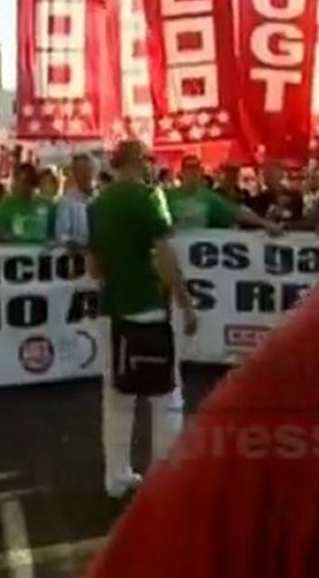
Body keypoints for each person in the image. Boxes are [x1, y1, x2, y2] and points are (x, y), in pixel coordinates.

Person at [88, 229, 319, 578]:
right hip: (144, 321)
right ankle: (125, 473)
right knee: (154, 398)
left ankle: (121, 474)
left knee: (133, 399)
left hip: (133, 319)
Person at [88, 140, 198, 500]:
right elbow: (164, 258)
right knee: (165, 396)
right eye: (149, 159)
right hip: (148, 307)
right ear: (138, 161)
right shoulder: (150, 198)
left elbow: (94, 266)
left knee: (118, 395)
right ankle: (165, 479)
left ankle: (116, 477)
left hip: (113, 308)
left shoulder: (99, 204)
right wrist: (185, 303)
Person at [165, 156, 282, 234]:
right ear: (182, 173)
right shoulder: (169, 197)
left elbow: (236, 212)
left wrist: (266, 224)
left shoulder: (208, 198)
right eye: (189, 169)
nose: (193, 173)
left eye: (196, 169)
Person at [0, 164, 56, 245]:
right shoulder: (5, 206)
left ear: (33, 183)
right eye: (16, 180)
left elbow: (56, 235)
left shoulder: (48, 206)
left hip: (41, 255)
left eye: (25, 181)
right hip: (14, 255)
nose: (19, 185)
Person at [245, 160, 306, 228]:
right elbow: (255, 218)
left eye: (271, 173)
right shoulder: (261, 199)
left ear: (280, 175)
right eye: (265, 174)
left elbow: (299, 219)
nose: (267, 177)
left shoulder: (295, 197)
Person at [55, 154, 96, 247]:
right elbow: (61, 235)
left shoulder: (99, 198)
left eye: (88, 170)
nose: (86, 175)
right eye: (80, 171)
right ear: (74, 174)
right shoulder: (67, 202)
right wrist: (75, 243)